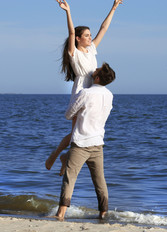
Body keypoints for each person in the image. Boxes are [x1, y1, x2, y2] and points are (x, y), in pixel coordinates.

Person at [45, 0, 122, 175]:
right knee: (75, 133)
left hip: (94, 91)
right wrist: (68, 12)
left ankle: (63, 158)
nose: (90, 37)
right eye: (86, 35)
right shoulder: (74, 53)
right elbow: (71, 33)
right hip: (81, 91)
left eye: (89, 35)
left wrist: (113, 8)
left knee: (81, 133)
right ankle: (56, 156)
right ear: (79, 39)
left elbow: (104, 29)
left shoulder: (91, 49)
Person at [56, 62, 116, 220]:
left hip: (81, 142)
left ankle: (61, 214)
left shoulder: (85, 93)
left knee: (70, 177)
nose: (94, 69)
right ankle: (103, 213)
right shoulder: (109, 95)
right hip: (98, 143)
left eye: (97, 69)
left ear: (96, 77)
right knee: (100, 181)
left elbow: (69, 115)